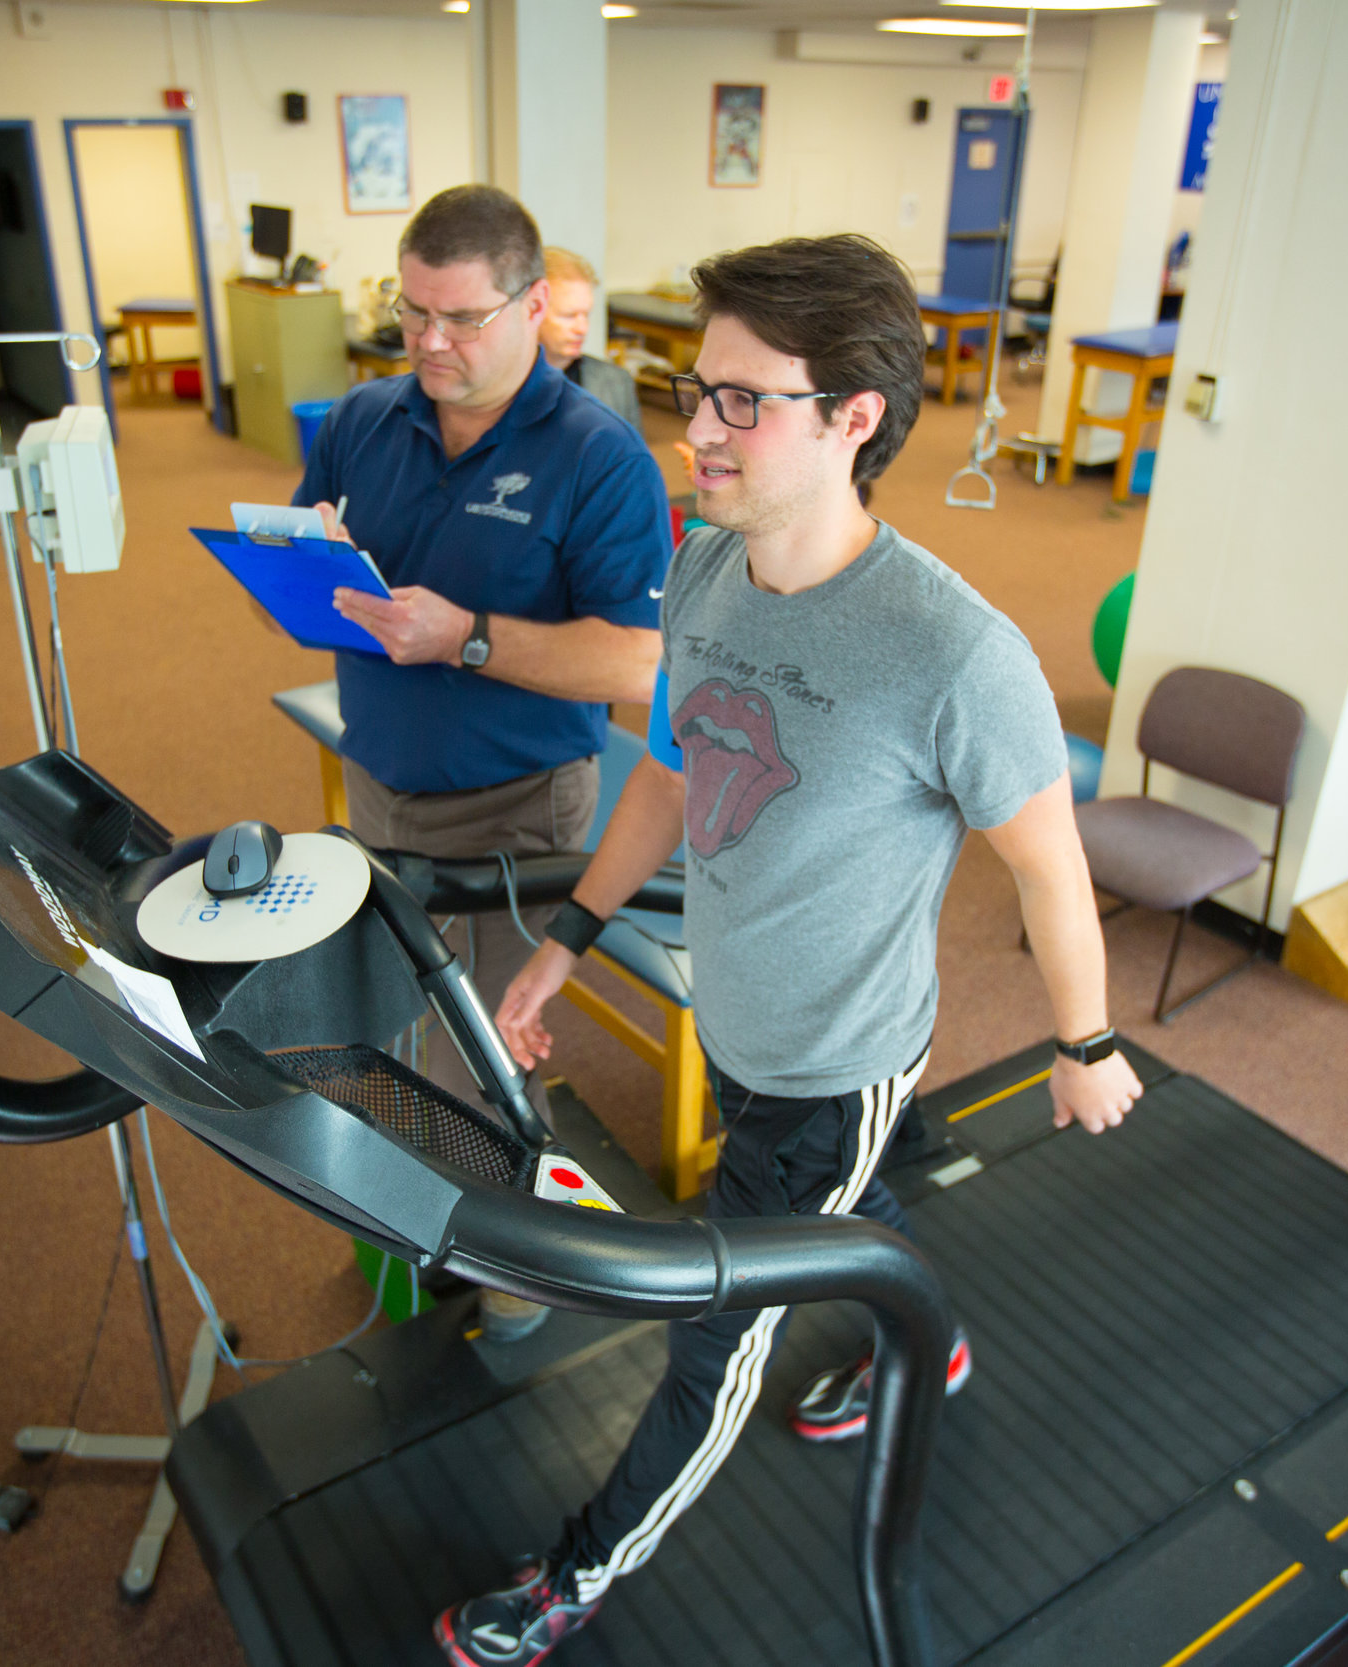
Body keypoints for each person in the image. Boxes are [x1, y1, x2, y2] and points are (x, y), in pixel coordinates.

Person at [432, 234, 1143, 1667]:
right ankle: (922, 1333)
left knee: (719, 1338)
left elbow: (1052, 868)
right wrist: (570, 937)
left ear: (854, 418)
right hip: (732, 1009)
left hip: (834, 1055)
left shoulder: (954, 652)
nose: (696, 431)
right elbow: (670, 772)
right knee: (859, 1207)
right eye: (698, 392)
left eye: (745, 401)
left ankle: (576, 1575)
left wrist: (1085, 1043)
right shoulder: (705, 572)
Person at [297, 186, 670, 1342]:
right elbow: (317, 541)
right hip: (383, 779)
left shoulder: (598, 458)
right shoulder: (365, 416)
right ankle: (423, 1220)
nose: (431, 345)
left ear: (534, 306)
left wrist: (466, 635)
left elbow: (638, 661)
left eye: (459, 319)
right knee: (393, 1026)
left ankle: (519, 1279)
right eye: (411, 314)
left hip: (515, 804)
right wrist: (294, 583)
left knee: (488, 1060)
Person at [537, 245, 643, 432]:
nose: (582, 328)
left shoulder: (617, 381)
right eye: (568, 316)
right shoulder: (496, 385)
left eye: (586, 315)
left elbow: (633, 459)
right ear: (534, 311)